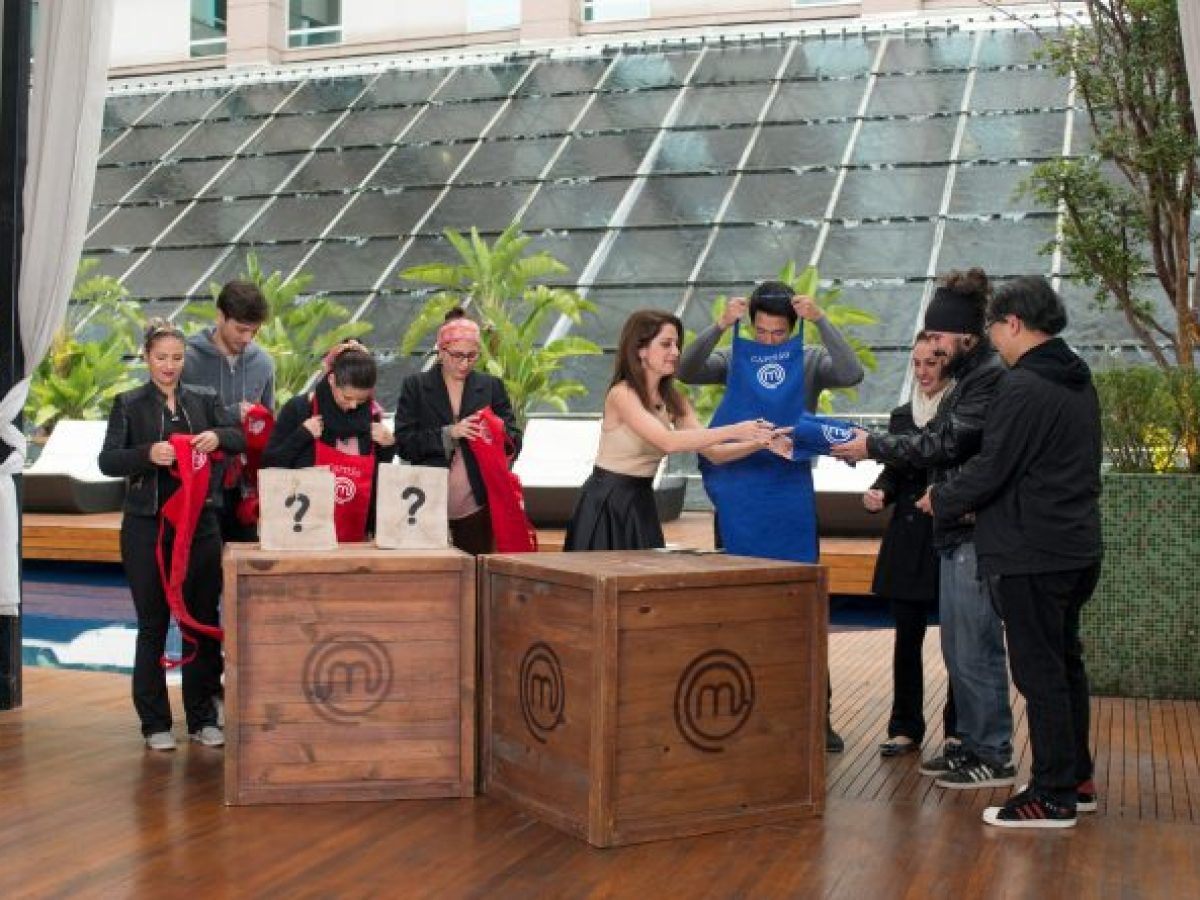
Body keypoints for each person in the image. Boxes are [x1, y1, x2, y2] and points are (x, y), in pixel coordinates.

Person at [922, 276, 1102, 828]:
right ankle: (1075, 779)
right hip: (1075, 546)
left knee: (1040, 674)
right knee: (1064, 666)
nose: (992, 338)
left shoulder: (1023, 385)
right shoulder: (1075, 375)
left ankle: (1052, 796)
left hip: (1032, 552)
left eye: (994, 326)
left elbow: (994, 466)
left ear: (1015, 324)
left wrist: (942, 499)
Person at [833, 269, 1014, 790]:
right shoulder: (971, 376)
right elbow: (931, 442)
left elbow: (943, 444)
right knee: (959, 647)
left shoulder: (985, 378)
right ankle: (970, 745)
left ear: (965, 336)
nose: (930, 348)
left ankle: (991, 751)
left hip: (972, 529)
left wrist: (871, 446)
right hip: (947, 531)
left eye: (937, 338)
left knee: (975, 649)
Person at [681, 280, 865, 752]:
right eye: (761, 332)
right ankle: (750, 713)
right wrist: (719, 325)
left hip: (789, 494)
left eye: (778, 333)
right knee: (741, 607)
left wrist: (822, 319)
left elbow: (851, 373)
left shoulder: (810, 360)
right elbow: (687, 369)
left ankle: (818, 716)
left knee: (803, 606)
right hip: (738, 494)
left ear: (793, 327)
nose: (768, 340)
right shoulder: (733, 358)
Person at [99, 319, 245, 751]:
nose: (169, 365)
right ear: (147, 358)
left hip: (200, 527)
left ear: (185, 360)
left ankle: (203, 718)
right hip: (146, 528)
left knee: (201, 620)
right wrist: (148, 453)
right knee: (153, 624)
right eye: (161, 357)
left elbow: (238, 438)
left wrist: (216, 436)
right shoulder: (128, 403)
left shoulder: (204, 399)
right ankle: (155, 723)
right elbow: (108, 461)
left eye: (177, 358)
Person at [564, 309, 779, 552]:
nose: (676, 352)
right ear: (640, 350)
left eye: (677, 345)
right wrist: (737, 430)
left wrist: (761, 441)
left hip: (642, 500)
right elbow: (668, 442)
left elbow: (715, 453)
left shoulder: (674, 399)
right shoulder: (622, 394)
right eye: (666, 344)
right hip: (606, 501)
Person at [864, 333, 957, 758]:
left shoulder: (963, 411)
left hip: (950, 536)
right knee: (906, 639)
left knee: (958, 641)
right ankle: (905, 727)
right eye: (916, 363)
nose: (922, 372)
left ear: (948, 364)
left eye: (930, 363)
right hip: (907, 537)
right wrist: (880, 492)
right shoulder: (902, 416)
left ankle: (958, 730)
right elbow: (895, 470)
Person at [394, 308, 522, 555]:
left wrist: (494, 431)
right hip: (425, 502)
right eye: (457, 356)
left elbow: (514, 438)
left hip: (478, 505)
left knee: (476, 568)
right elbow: (404, 442)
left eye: (472, 356)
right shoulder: (416, 386)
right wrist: (449, 434)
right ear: (441, 352)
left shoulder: (490, 386)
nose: (464, 363)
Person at [262, 343, 396, 542]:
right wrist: (302, 435)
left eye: (361, 400)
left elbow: (376, 476)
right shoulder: (300, 409)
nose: (353, 406)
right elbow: (270, 464)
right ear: (332, 380)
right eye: (347, 397)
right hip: (301, 530)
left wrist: (389, 446)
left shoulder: (371, 417)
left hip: (355, 532)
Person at [183, 280, 274, 542]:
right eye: (241, 329)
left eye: (254, 331)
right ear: (220, 316)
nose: (247, 338)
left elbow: (267, 424)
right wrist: (231, 414)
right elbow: (173, 420)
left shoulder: (263, 363)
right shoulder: (185, 359)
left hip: (244, 491)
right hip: (199, 488)